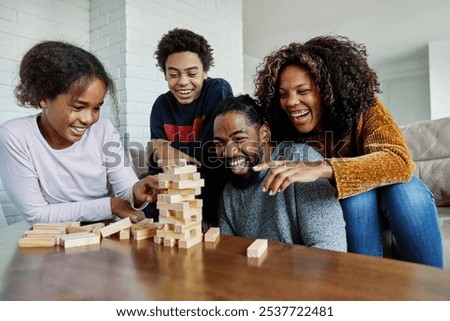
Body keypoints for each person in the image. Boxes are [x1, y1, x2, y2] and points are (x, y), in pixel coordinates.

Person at [253, 35, 443, 267]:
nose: (291, 102)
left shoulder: (365, 107)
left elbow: (399, 161)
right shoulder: (284, 129)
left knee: (407, 190)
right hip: (352, 209)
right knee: (357, 198)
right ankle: (362, 290)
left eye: (303, 91)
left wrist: (323, 168)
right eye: (283, 94)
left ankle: (433, 292)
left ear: (327, 90)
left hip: (394, 197)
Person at [0, 41, 161, 224]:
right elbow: (37, 214)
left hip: (107, 235)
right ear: (44, 97)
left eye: (96, 108)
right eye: (78, 107)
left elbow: (126, 190)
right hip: (53, 241)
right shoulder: (15, 136)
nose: (88, 119)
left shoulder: (104, 130)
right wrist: (110, 206)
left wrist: (138, 191)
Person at [212, 95, 347, 252]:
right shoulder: (229, 194)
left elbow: (330, 251)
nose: (228, 152)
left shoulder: (302, 163)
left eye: (239, 139)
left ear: (264, 134)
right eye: (219, 143)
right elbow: (228, 259)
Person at [144, 28, 233, 226]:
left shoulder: (217, 89)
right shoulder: (161, 105)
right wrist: (159, 152)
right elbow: (153, 161)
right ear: (165, 75)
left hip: (211, 182)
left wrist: (165, 148)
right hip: (176, 185)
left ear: (205, 71)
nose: (183, 82)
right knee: (148, 182)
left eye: (192, 73)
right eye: (173, 74)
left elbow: (214, 153)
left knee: (212, 180)